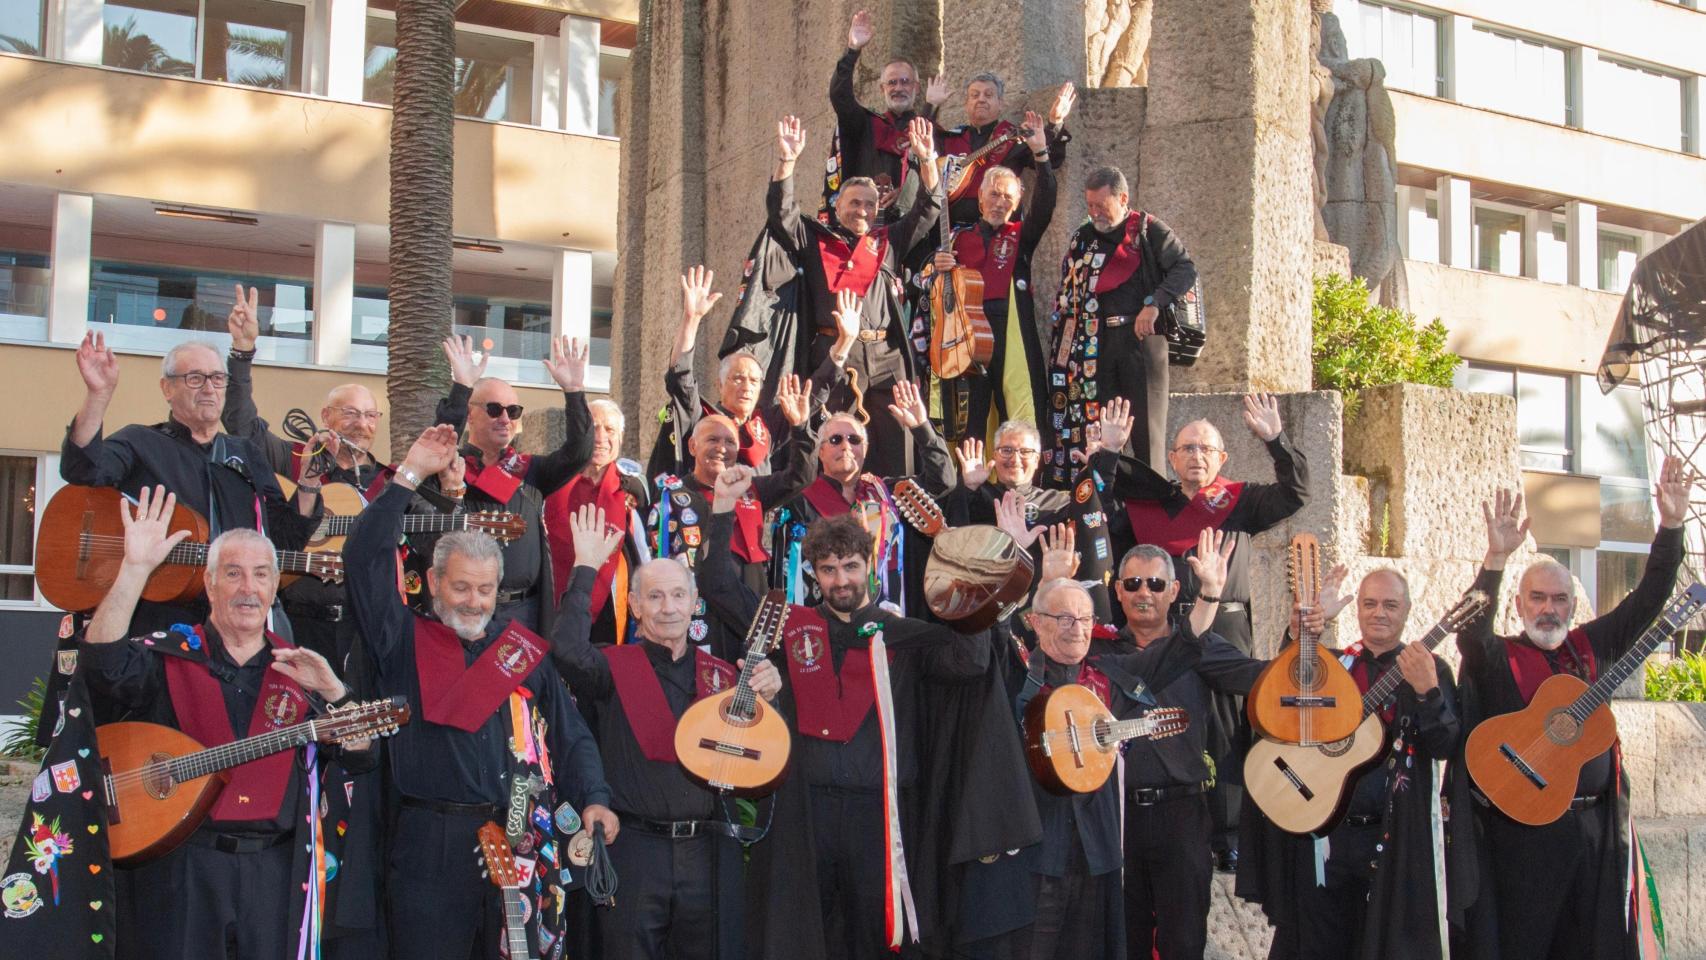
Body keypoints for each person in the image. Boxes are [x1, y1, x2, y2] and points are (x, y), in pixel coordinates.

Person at [703, 466, 1037, 960]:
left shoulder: (904, 636)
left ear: (870, 565)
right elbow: (718, 585)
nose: (841, 580)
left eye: (850, 566)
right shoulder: (791, 627)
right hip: (807, 814)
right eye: (828, 569)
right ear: (813, 574)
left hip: (880, 820)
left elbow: (971, 661)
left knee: (877, 942)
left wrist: (985, 566)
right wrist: (722, 509)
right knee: (805, 939)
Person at [344, 424, 617, 960]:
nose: (473, 601)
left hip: (517, 840)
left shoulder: (522, 651)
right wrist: (408, 476)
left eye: (485, 589)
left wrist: (595, 797)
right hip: (428, 850)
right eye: (461, 587)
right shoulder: (400, 639)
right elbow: (362, 560)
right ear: (434, 583)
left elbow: (571, 734)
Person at [78, 485, 373, 960]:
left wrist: (336, 692)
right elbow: (103, 665)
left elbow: (361, 756)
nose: (248, 588)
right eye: (233, 574)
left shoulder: (302, 670)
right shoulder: (169, 655)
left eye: (261, 575)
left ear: (274, 588)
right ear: (209, 584)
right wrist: (134, 569)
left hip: (275, 872)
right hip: (182, 870)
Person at [967, 529, 1231, 960]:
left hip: (1096, 856)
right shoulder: (1016, 673)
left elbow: (1182, 647)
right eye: (1063, 619)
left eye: (1085, 619)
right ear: (1037, 622)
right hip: (1033, 857)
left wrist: (1211, 594)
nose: (1076, 630)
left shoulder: (1110, 676)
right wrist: (1016, 561)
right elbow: (990, 627)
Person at [1459, 472, 1688, 960]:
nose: (1548, 608)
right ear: (1519, 604)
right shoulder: (1499, 658)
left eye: (1559, 598)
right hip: (1524, 839)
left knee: (1593, 946)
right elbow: (1470, 633)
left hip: (1594, 832)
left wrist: (1670, 525)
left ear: (1573, 604)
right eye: (1538, 597)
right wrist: (1495, 560)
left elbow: (1649, 598)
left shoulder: (1591, 647)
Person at [551, 505, 782, 959]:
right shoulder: (610, 667)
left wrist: (770, 699)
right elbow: (566, 649)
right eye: (655, 597)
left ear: (694, 603)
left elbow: (759, 761)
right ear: (635, 606)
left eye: (678, 595)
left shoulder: (724, 678)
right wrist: (585, 568)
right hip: (634, 851)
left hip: (708, 854)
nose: (669, 608)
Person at [1111, 393, 1309, 869]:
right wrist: (1107, 453)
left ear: (1222, 458)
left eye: (1206, 448)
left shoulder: (1240, 502)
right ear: (1171, 458)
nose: (1196, 455)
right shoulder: (1148, 506)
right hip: (1165, 626)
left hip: (1224, 623)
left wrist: (1276, 440)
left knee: (1228, 728)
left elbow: (1297, 493)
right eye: (1187, 448)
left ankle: (1229, 834)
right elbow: (1100, 525)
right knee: (1165, 719)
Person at [1237, 567, 1467, 960]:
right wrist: (1301, 634)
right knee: (1317, 945)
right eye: (1370, 603)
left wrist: (1428, 692)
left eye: (1390, 604)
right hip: (1325, 838)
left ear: (1407, 610)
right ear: (1357, 609)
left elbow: (1445, 744)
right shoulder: (1335, 665)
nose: (1379, 613)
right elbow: (1279, 693)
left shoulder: (1429, 668)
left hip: (1392, 840)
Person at [60, 332, 320, 630]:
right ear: (167, 388)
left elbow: (283, 540)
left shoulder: (246, 453)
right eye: (195, 378)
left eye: (218, 378)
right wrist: (98, 396)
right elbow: (82, 469)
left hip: (232, 626)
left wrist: (308, 481)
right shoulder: (140, 442)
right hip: (157, 621)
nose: (209, 388)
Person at [1093, 543, 1267, 960]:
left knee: (1185, 941)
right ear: (1118, 591)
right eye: (1133, 583)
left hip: (1182, 816)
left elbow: (1262, 678)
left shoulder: (1199, 646)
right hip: (1116, 817)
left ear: (1173, 591)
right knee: (1121, 942)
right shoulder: (1098, 650)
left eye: (1156, 584)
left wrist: (1301, 637)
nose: (1144, 593)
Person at [768, 113, 942, 477]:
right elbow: (782, 215)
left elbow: (929, 208)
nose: (861, 210)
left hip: (886, 357)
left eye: (869, 204)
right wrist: (787, 162)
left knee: (897, 447)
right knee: (835, 446)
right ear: (837, 207)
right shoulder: (814, 240)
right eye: (854, 203)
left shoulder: (888, 241)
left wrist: (927, 159)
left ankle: (892, 509)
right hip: (834, 354)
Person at [422, 334, 595, 634]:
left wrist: (574, 392)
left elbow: (579, 453)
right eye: (494, 409)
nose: (505, 418)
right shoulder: (449, 467)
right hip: (465, 607)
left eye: (513, 411)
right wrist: (462, 387)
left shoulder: (531, 471)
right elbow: (440, 439)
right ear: (470, 415)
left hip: (523, 613)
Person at [1045, 165, 1198, 480]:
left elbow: (1185, 269)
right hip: (1096, 347)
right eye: (1090, 205)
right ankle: (1103, 501)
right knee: (1097, 434)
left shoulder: (1148, 229)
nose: (1095, 213)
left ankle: (1152, 502)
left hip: (1142, 343)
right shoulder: (1084, 237)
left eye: (1101, 205)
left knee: (1147, 437)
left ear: (1123, 198)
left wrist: (1154, 303)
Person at [648, 375, 816, 660]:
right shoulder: (673, 495)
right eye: (712, 440)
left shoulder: (751, 487)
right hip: (704, 609)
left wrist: (799, 428)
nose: (722, 448)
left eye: (730, 442)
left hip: (749, 602)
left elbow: (801, 477)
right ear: (693, 446)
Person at [920, 113, 1054, 442]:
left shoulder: (1021, 235)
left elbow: (1045, 203)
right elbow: (930, 282)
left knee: (1018, 412)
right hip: (968, 337)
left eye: (1008, 197)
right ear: (980, 199)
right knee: (971, 423)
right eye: (993, 194)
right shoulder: (956, 238)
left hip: (1010, 331)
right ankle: (970, 474)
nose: (999, 202)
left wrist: (1041, 154)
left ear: (1017, 202)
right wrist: (937, 266)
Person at [650, 266, 851, 479]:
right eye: (738, 378)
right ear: (720, 385)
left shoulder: (765, 426)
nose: (747, 387)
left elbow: (815, 391)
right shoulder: (703, 418)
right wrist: (691, 319)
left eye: (754, 381)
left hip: (756, 499)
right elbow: (681, 377)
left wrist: (845, 342)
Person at [771, 382, 950, 611]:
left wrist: (921, 428)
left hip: (888, 620)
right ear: (820, 451)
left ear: (864, 450)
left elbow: (942, 480)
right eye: (836, 440)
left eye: (854, 440)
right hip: (825, 622)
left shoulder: (887, 493)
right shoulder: (799, 502)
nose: (846, 446)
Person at [952, 402, 1133, 621]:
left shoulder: (1057, 502)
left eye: (1025, 452)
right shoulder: (978, 497)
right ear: (994, 455)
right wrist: (968, 488)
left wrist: (1104, 464)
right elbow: (952, 536)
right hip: (986, 611)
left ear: (1037, 460)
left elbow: (1101, 522)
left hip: (1045, 614)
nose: (1015, 459)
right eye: (1006, 450)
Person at [542, 397, 651, 646]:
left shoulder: (634, 488)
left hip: (613, 606)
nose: (601, 438)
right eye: (593, 427)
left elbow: (643, 555)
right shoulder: (552, 480)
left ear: (620, 438)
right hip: (557, 602)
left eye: (610, 430)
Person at [828, 8, 939, 221]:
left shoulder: (929, 130)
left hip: (911, 227)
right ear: (882, 89)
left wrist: (906, 194)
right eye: (892, 82)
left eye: (905, 82)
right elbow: (839, 96)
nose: (898, 88)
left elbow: (936, 180)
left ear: (916, 87)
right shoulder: (865, 123)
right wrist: (852, 51)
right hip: (863, 223)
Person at [932, 76, 1074, 228]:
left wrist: (1055, 122)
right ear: (966, 104)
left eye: (988, 95)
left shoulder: (1014, 138)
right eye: (974, 95)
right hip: (950, 231)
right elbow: (920, 144)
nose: (981, 99)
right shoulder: (950, 138)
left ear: (1000, 103)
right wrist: (931, 105)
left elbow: (1050, 159)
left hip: (999, 232)